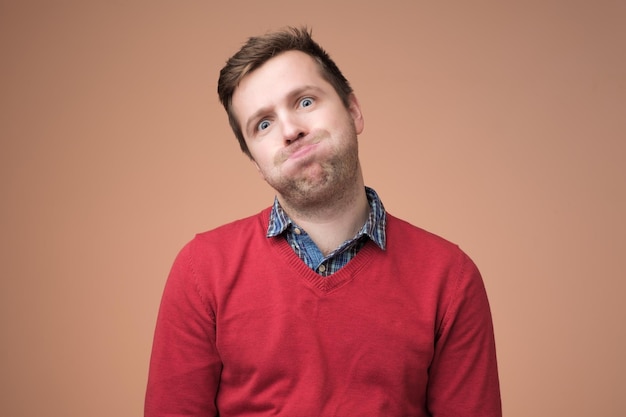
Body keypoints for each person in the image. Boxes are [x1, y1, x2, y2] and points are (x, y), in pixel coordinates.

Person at [145, 26, 502, 417]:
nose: (290, 131)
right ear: (256, 162)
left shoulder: (450, 277)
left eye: (304, 102)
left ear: (353, 111)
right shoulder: (202, 270)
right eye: (263, 124)